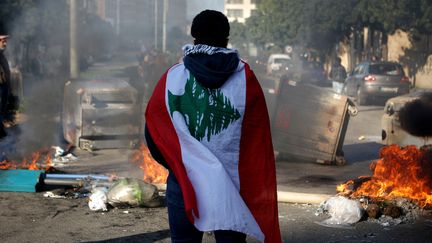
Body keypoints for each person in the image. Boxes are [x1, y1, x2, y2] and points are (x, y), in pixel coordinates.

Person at [144, 10, 281, 243]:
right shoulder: (245, 78)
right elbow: (257, 138)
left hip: (185, 182)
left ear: (194, 37)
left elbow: (154, 132)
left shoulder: (173, 77)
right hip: (231, 187)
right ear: (227, 37)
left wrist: (176, 165)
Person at [0, 34, 11, 138]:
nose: (5, 43)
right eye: (3, 41)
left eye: (5, 41)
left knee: (2, 108)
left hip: (3, 86)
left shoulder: (2, 54)